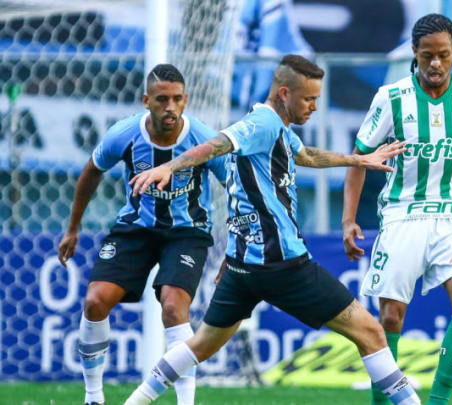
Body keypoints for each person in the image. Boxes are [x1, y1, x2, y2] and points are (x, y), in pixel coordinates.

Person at [123, 55, 421, 405]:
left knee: (200, 345)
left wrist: (357, 160)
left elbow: (306, 155)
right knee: (370, 332)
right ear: (284, 92)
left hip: (243, 266)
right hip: (282, 264)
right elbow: (219, 143)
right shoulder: (262, 122)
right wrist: (171, 166)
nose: (314, 106)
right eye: (308, 98)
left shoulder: (278, 128)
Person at [342, 14, 452, 405]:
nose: (436, 64)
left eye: (444, 56)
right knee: (390, 319)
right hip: (402, 215)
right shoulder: (391, 98)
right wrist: (348, 219)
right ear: (414, 54)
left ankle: (437, 402)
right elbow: (358, 159)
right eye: (428, 55)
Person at [57, 64, 229, 405]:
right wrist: (73, 228)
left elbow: (237, 188)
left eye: (177, 99)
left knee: (173, 307)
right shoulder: (124, 134)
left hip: (187, 232)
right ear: (146, 100)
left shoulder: (205, 139)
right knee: (95, 301)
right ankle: (93, 397)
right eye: (162, 99)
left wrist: (235, 248)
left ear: (186, 100)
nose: (171, 107)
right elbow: (92, 170)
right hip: (135, 228)